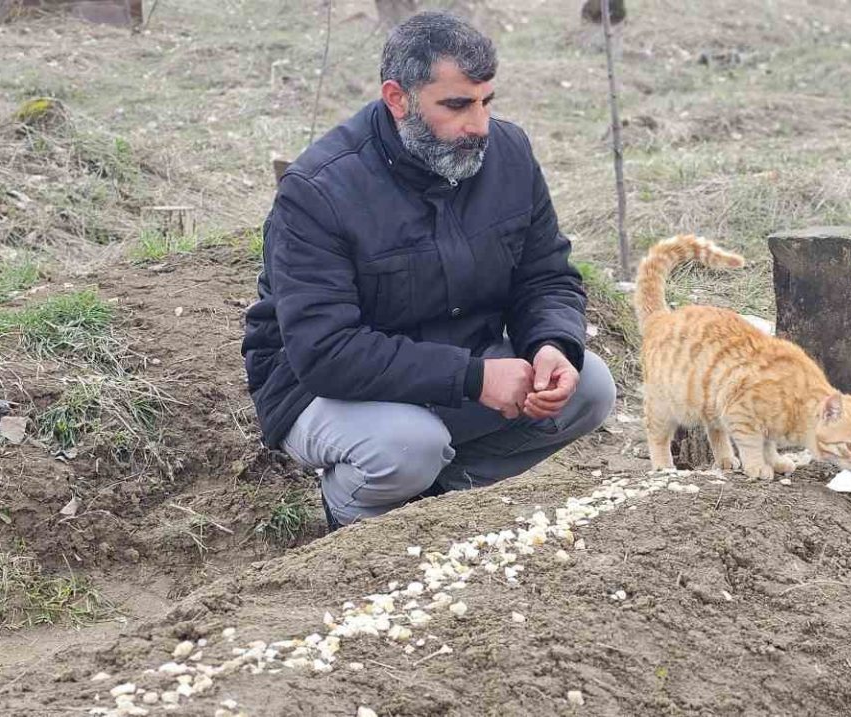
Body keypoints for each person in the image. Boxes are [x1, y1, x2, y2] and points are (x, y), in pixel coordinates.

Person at [241, 11, 615, 530]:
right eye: (457, 105)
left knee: (590, 386)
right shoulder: (319, 190)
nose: (479, 125)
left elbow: (546, 275)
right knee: (407, 445)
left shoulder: (509, 154)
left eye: (486, 101)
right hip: (322, 389)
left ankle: (439, 501)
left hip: (457, 363)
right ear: (398, 99)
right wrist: (474, 378)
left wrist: (551, 344)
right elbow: (325, 352)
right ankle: (352, 528)